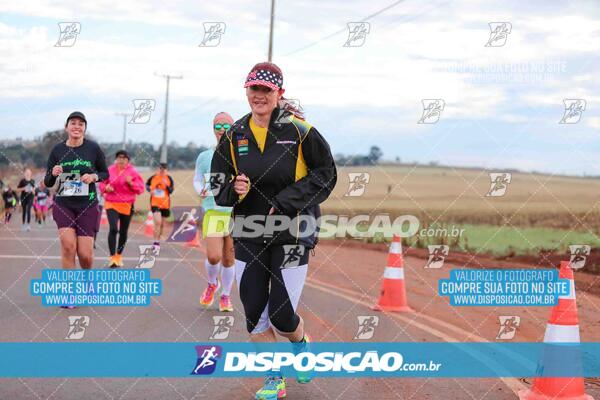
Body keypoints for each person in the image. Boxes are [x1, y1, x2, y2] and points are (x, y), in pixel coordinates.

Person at [211, 62, 337, 399]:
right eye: (254, 89)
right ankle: (273, 377)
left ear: (279, 93)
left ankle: (300, 343)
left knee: (282, 314)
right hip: (249, 230)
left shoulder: (301, 131)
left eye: (266, 90)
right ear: (246, 91)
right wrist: (232, 190)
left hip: (294, 229)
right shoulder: (234, 134)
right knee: (254, 311)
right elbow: (217, 183)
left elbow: (326, 173)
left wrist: (286, 200)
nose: (259, 95)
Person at [44, 111, 108, 287]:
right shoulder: (58, 150)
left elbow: (105, 173)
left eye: (81, 124)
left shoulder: (93, 148)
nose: (77, 126)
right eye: (73, 123)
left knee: (85, 254)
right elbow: (47, 180)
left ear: (85, 129)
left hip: (88, 205)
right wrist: (53, 173)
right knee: (68, 246)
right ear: (66, 127)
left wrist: (93, 177)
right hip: (64, 204)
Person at [193, 112, 236, 312]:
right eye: (218, 126)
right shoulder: (205, 156)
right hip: (214, 210)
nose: (222, 130)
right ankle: (212, 283)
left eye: (226, 126)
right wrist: (199, 189)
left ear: (233, 128)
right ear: (213, 129)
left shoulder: (241, 154)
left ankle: (226, 296)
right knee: (213, 256)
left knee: (229, 258)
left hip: (236, 212)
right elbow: (197, 179)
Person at [99, 150, 144, 268]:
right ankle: (112, 257)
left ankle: (118, 256)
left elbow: (140, 189)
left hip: (127, 204)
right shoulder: (110, 170)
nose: (121, 160)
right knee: (113, 229)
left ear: (128, 160)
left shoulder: (133, 172)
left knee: (123, 232)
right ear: (116, 159)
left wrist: (131, 183)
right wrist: (106, 187)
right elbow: (102, 184)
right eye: (119, 157)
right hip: (112, 203)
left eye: (124, 158)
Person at [145, 163, 174, 247]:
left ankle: (158, 240)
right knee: (158, 222)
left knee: (162, 225)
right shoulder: (153, 177)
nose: (162, 171)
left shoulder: (169, 179)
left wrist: (167, 185)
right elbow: (147, 185)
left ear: (166, 170)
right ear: (158, 169)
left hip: (165, 204)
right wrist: (149, 190)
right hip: (155, 203)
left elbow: (171, 190)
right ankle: (155, 242)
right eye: (161, 169)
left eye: (164, 169)